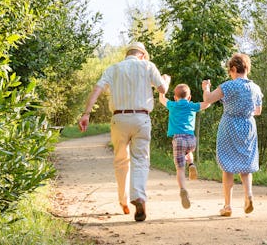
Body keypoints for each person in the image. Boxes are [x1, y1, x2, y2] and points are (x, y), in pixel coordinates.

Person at [78, 42, 167, 222]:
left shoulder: (114, 68)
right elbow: (163, 89)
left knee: (120, 161)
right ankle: (139, 197)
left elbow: (97, 89)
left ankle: (123, 200)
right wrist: (166, 79)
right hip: (141, 118)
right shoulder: (148, 66)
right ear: (142, 55)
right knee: (140, 160)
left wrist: (86, 114)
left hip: (119, 119)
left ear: (128, 54)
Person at [201, 53, 263, 217]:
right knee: (246, 163)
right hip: (248, 126)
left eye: (230, 71)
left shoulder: (228, 86)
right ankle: (248, 195)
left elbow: (208, 100)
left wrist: (206, 88)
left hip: (229, 125)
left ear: (234, 69)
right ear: (247, 69)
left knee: (227, 166)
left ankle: (227, 206)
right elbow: (258, 111)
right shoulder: (256, 88)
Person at [158, 75, 210, 209]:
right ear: (189, 97)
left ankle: (182, 189)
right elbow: (207, 103)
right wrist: (206, 88)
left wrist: (165, 83)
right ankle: (191, 163)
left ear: (175, 97)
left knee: (180, 169)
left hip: (178, 139)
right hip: (191, 139)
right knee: (189, 151)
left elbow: (161, 98)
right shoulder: (192, 106)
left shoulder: (173, 105)